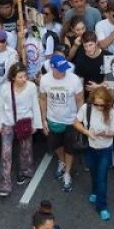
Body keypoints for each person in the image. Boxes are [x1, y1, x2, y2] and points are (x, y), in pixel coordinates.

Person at [73, 86, 114, 221]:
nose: (99, 107)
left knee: (102, 178)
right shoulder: (86, 108)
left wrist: (104, 133)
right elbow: (76, 122)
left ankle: (102, 206)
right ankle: (94, 191)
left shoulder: (111, 112)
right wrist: (87, 132)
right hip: (90, 147)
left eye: (102, 105)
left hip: (105, 149)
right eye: (96, 104)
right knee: (94, 174)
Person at [0, 62, 41, 198]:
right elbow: (1, 107)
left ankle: (25, 171)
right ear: (13, 77)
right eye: (20, 77)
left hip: (25, 123)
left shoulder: (32, 87)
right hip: (8, 122)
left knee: (26, 150)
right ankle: (4, 183)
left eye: (25, 76)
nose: (24, 79)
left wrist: (35, 124)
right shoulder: (5, 88)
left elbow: (35, 106)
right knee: (6, 153)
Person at [38, 55, 84, 193]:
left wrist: (79, 119)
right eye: (60, 70)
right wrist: (43, 119)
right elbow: (43, 98)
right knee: (56, 146)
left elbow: (80, 99)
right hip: (53, 119)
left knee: (69, 148)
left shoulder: (74, 80)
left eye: (65, 69)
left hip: (71, 120)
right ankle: (62, 161)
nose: (63, 72)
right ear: (52, 68)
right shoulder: (45, 80)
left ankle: (67, 173)